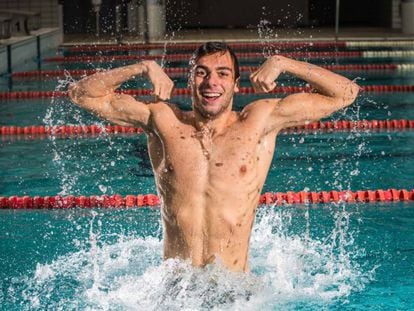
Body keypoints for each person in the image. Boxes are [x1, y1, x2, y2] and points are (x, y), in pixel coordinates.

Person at [68, 42, 359, 272]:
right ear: (190, 81)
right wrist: (143, 67)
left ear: (236, 84)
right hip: (175, 290)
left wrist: (283, 63)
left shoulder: (259, 121)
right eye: (201, 72)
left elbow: (346, 93)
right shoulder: (163, 120)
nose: (211, 82)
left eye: (223, 73)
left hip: (234, 292)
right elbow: (81, 94)